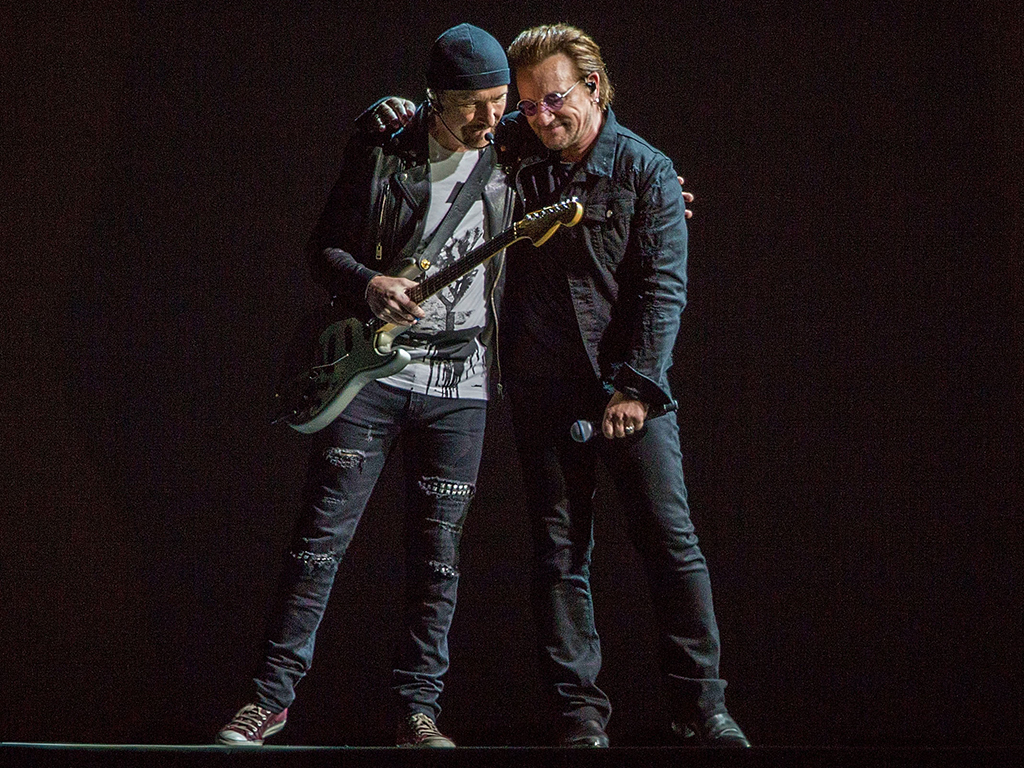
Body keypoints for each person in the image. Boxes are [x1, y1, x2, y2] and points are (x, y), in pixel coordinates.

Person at [216, 23, 515, 748]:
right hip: (371, 378)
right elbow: (322, 248)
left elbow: (594, 149)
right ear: (433, 99)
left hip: (460, 384)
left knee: (438, 559)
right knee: (319, 543)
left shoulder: (514, 152)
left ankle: (419, 712)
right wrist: (369, 282)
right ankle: (269, 699)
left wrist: (660, 188)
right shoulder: (383, 146)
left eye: (499, 101)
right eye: (472, 104)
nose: (488, 119)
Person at [499, 24, 750, 748]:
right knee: (558, 553)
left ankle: (702, 710)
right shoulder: (513, 147)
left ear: (594, 87)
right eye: (529, 106)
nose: (542, 117)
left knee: (671, 544)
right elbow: (455, 123)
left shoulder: (646, 170)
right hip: (542, 386)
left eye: (555, 100)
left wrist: (635, 387)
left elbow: (662, 292)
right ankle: (580, 718)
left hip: (625, 387)